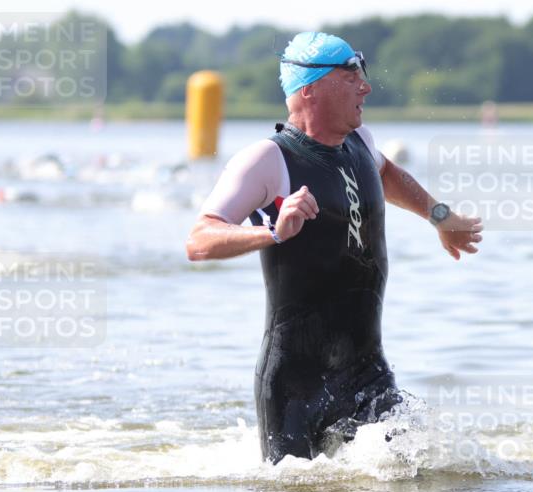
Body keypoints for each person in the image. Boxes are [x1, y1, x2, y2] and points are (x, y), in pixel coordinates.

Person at [186, 32, 483, 464]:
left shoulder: (361, 142)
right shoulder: (267, 160)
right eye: (351, 77)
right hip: (294, 389)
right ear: (311, 88)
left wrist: (440, 216)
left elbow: (387, 174)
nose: (366, 87)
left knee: (429, 465)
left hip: (367, 375)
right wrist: (272, 233)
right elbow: (199, 240)